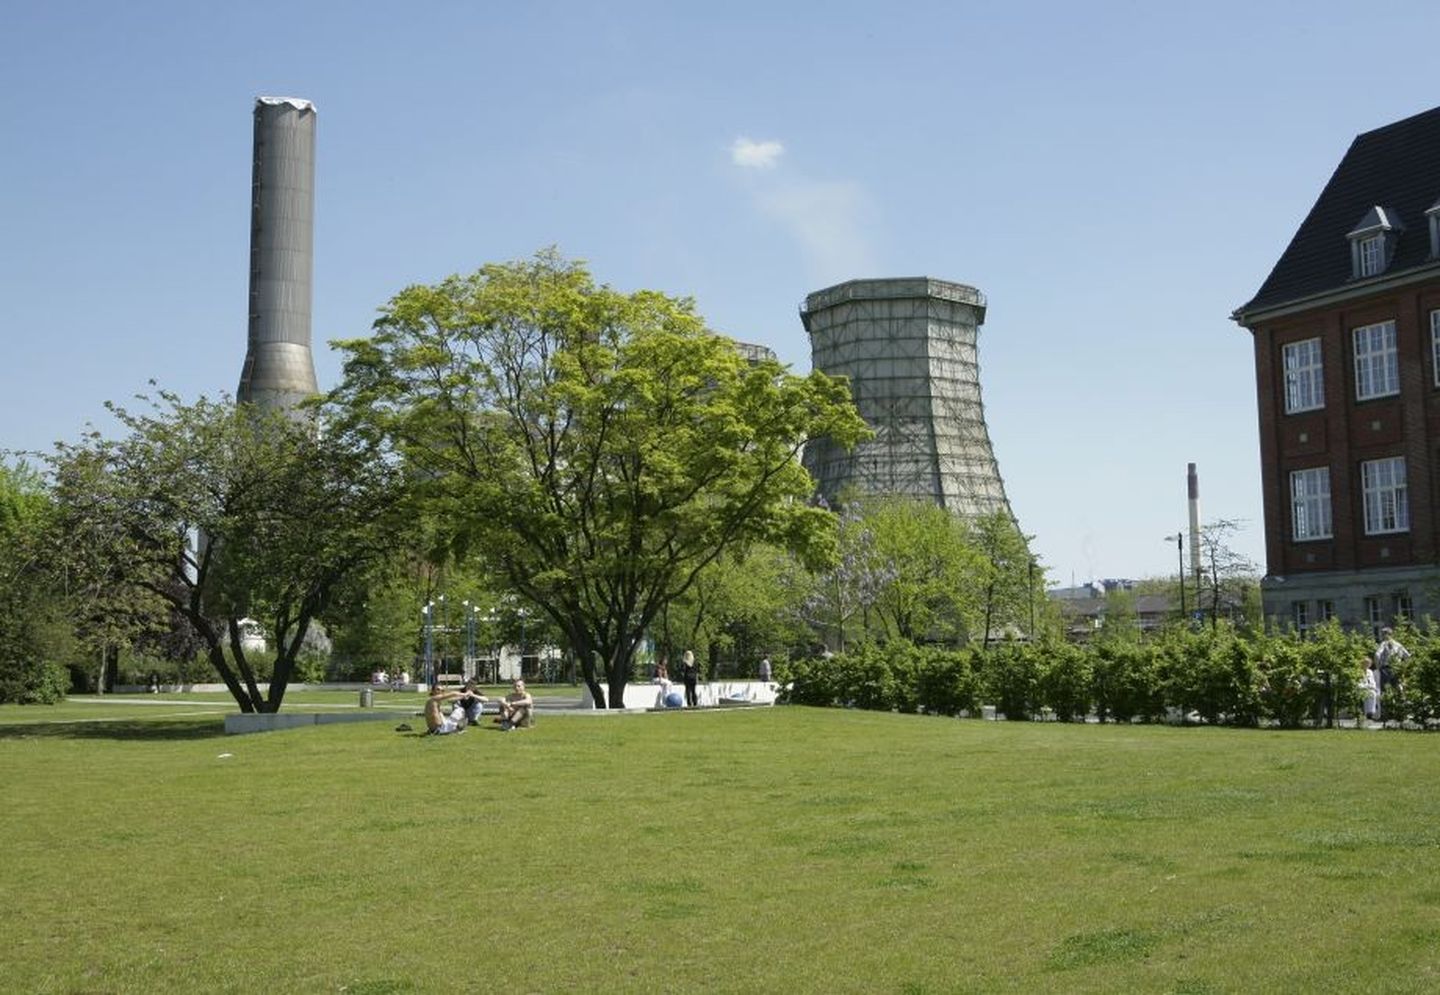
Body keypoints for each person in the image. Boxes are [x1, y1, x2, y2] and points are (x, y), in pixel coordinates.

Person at [1375, 627, 1409, 699]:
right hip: (1397, 668)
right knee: (1398, 685)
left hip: (1386, 669)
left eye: (1383, 634)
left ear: (1386, 634)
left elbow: (1377, 655)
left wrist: (1378, 667)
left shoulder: (1384, 644)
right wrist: (1404, 667)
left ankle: (1386, 706)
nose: (1382, 636)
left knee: (1385, 689)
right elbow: (1407, 656)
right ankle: (1402, 701)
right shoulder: (1398, 644)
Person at [1360, 657, 1381, 723]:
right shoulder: (1359, 671)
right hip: (1362, 688)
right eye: (1366, 663)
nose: (1367, 665)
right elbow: (1359, 683)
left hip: (1370, 688)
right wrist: (1367, 686)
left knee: (1374, 694)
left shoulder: (1370, 672)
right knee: (1369, 694)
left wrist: (1373, 687)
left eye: (1368, 664)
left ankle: (1371, 713)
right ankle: (1367, 713)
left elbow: (1373, 682)